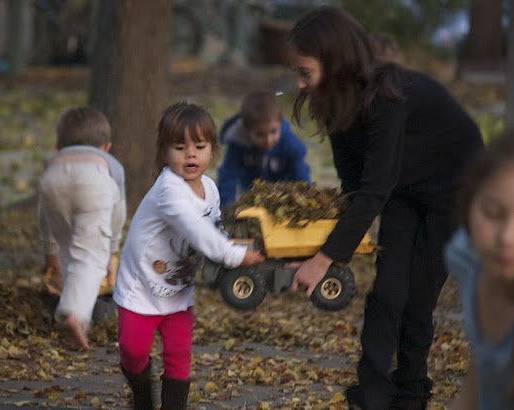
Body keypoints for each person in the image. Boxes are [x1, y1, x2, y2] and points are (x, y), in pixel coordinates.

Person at [286, 6, 484, 409]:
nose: (299, 84)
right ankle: (372, 395)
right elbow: (354, 189)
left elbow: (373, 191)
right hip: (404, 190)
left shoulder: (389, 97)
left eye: (305, 73)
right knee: (387, 293)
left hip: (455, 189)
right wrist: (313, 249)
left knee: (418, 298)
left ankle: (411, 392)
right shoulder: (338, 106)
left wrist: (323, 260)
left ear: (336, 64)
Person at [113, 102, 264, 409]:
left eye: (200, 146)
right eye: (180, 147)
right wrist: (232, 255)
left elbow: (213, 227)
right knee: (133, 351)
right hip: (142, 285)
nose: (190, 154)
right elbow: (195, 229)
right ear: (164, 153)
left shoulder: (210, 188)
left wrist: (233, 249)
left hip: (178, 288)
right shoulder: (169, 191)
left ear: (212, 150)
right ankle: (141, 395)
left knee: (179, 355)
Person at [445, 127, 514, 409]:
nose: (506, 238)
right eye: (492, 213)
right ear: (469, 205)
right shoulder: (466, 257)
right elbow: (479, 382)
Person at [38, 106, 126, 351]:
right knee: (91, 259)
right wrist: (111, 250)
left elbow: (43, 212)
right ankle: (75, 315)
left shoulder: (55, 160)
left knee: (69, 251)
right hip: (93, 183)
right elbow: (118, 213)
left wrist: (49, 251)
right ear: (106, 147)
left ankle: (70, 306)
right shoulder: (111, 163)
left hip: (53, 182)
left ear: (58, 147)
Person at [216, 90, 311, 208]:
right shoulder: (238, 145)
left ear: (280, 123)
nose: (268, 140)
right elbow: (228, 176)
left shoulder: (289, 144)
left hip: (284, 198)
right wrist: (226, 205)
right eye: (260, 134)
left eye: (273, 131)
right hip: (252, 197)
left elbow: (301, 175)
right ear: (246, 130)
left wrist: (304, 200)